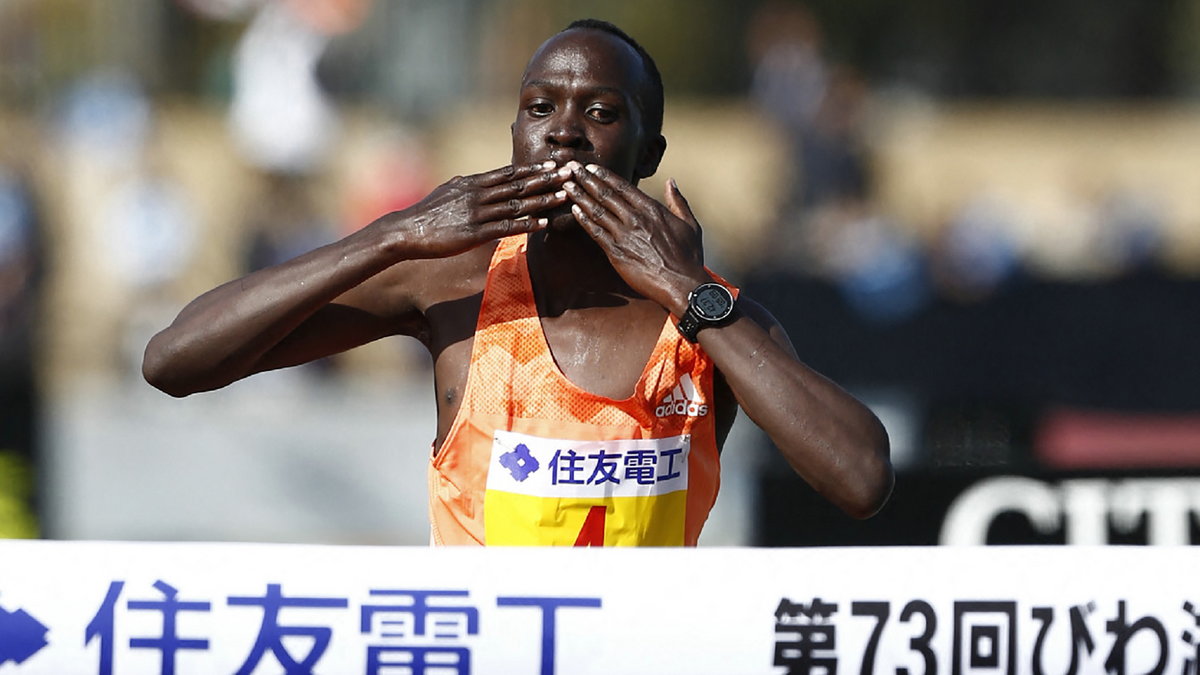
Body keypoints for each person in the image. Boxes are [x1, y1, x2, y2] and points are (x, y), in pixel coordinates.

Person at [143, 19, 893, 546]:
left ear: (648, 150)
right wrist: (390, 234)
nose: (563, 131)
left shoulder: (706, 314)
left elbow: (861, 479)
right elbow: (174, 360)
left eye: (601, 113)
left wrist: (688, 291)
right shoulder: (451, 287)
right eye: (539, 108)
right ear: (514, 133)